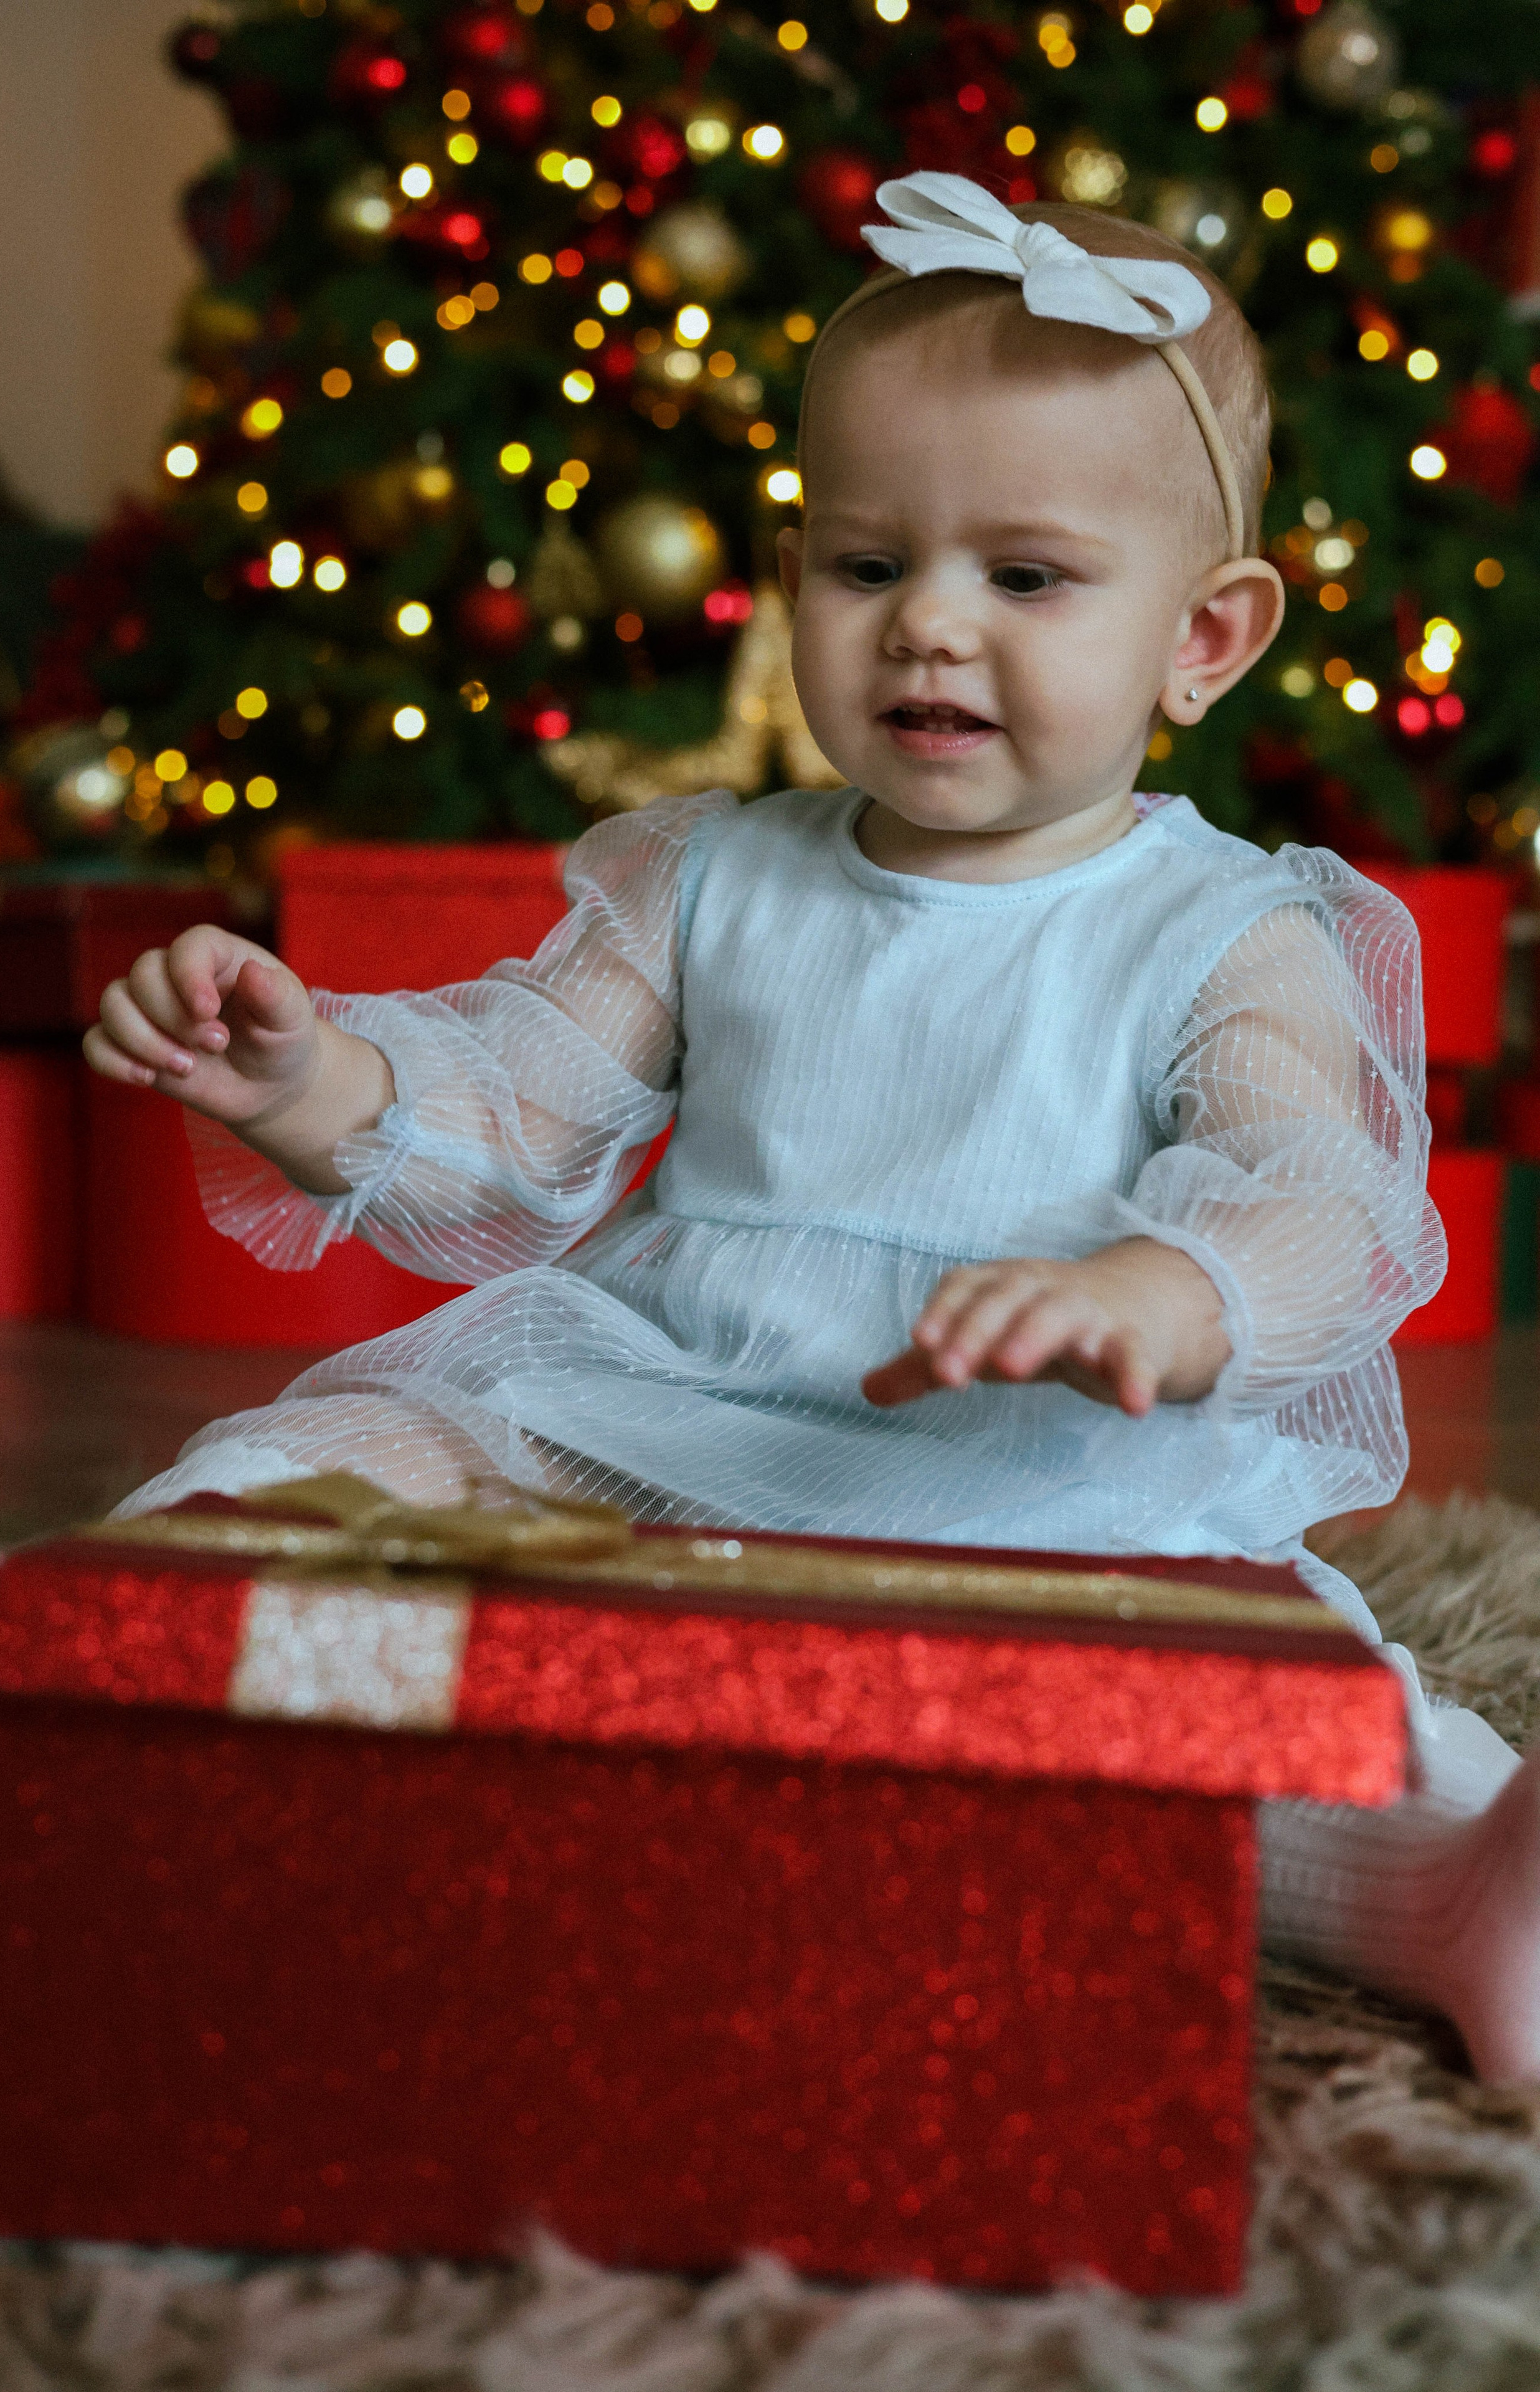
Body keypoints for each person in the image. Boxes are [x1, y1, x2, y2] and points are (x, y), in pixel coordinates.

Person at [84, 174, 1539, 2081]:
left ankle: (1448, 1891)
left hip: (1026, 1473)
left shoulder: (1226, 926)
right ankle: (158, 1731)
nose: (929, 626)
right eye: (868, 568)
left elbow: (1318, 1196)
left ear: (1206, 638)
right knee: (349, 1459)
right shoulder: (710, 872)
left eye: (1023, 578)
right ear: (795, 585)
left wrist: (1164, 1293)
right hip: (654, 1406)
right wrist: (313, 1083)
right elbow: (530, 1097)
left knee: (1195, 1699)